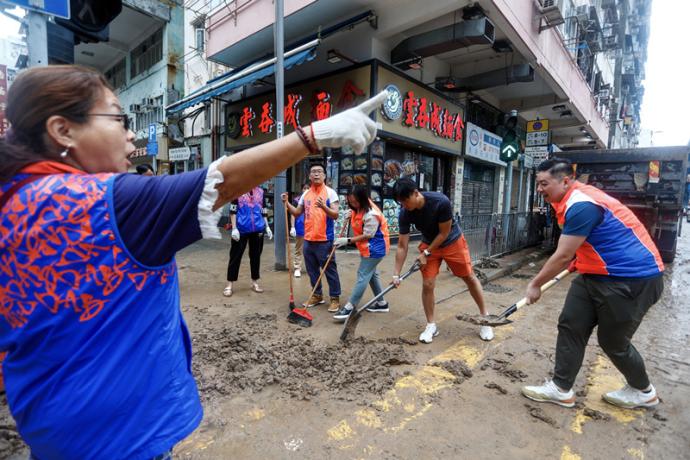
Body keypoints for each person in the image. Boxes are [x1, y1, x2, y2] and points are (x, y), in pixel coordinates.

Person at [0, 65, 387, 459]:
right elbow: (221, 180)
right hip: (120, 437)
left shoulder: (12, 202)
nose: (130, 133)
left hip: (50, 423)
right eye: (118, 118)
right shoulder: (107, 202)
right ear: (63, 130)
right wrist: (313, 135)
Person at [521, 158, 664, 409]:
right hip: (594, 275)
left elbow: (563, 254)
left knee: (613, 342)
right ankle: (561, 388)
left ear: (565, 181)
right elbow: (588, 241)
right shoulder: (565, 201)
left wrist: (535, 284)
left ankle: (644, 391)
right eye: (538, 184)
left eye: (544, 184)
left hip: (631, 279)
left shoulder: (581, 204)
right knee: (571, 324)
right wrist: (583, 259)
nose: (539, 189)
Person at [392, 178, 493, 343]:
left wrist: (426, 252)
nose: (404, 205)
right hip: (429, 243)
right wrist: (396, 274)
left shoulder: (440, 202)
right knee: (427, 284)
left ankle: (486, 319)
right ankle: (431, 325)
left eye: (405, 201)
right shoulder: (405, 213)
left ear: (416, 193)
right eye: (400, 203)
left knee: (468, 277)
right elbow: (402, 245)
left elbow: (444, 233)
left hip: (452, 241)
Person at [282, 164, 342, 312]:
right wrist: (287, 203)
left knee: (330, 270)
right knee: (312, 270)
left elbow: (335, 215)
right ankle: (317, 295)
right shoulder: (306, 194)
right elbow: (296, 213)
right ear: (309, 176)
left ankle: (335, 298)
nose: (316, 174)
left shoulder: (330, 193)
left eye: (319, 172)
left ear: (324, 176)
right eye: (313, 172)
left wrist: (324, 207)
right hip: (308, 239)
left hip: (325, 240)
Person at [333, 185, 391, 321]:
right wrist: (351, 213)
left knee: (362, 275)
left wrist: (346, 240)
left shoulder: (372, 214)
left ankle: (350, 307)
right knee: (372, 275)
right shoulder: (358, 207)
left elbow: (368, 235)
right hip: (367, 248)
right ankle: (382, 304)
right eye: (350, 202)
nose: (353, 205)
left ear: (363, 199)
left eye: (356, 202)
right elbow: (357, 216)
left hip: (375, 249)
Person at [223, 186, 273, 296]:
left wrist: (267, 226)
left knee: (255, 256)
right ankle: (229, 284)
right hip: (241, 229)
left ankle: (255, 282)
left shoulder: (260, 191)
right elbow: (233, 210)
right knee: (235, 255)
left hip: (258, 229)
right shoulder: (237, 190)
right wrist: (234, 228)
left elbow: (263, 210)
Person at [290, 182, 309, 278]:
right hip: (300, 227)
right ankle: (297, 268)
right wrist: (292, 227)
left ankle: (312, 268)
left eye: (308, 188)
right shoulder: (297, 200)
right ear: (302, 189)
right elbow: (293, 214)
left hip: (311, 228)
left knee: (311, 249)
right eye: (304, 188)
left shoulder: (314, 200)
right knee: (298, 249)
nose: (306, 190)